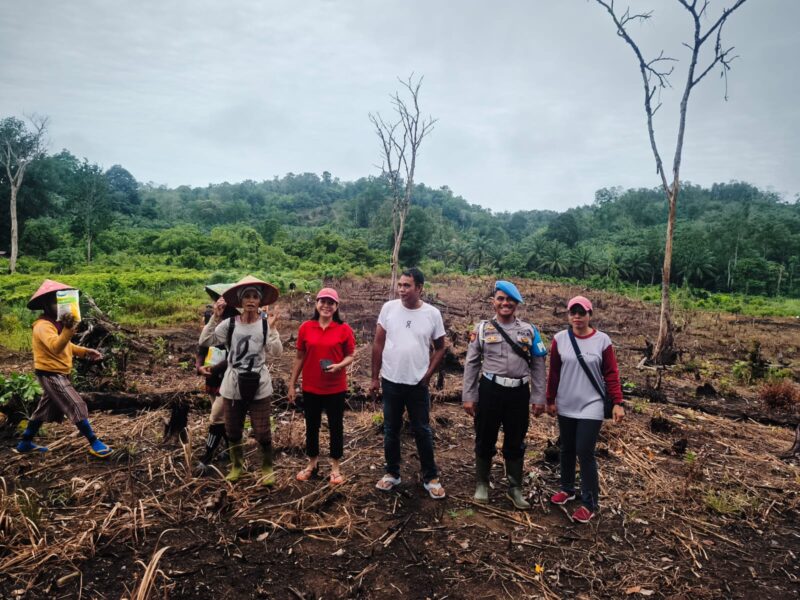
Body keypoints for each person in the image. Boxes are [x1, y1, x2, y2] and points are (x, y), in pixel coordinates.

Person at [463, 281, 547, 509]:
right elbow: (471, 364)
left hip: (519, 393)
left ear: (516, 304)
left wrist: (539, 397)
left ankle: (515, 488)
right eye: (500, 299)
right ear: (493, 302)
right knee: (485, 435)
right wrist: (469, 395)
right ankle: (482, 483)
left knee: (516, 439)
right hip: (490, 390)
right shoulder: (482, 329)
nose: (505, 303)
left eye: (510, 300)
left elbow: (538, 365)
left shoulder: (529, 330)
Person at [543, 295, 624, 523]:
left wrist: (617, 402)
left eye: (582, 312)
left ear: (590, 315)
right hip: (566, 402)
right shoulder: (560, 339)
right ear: (568, 315)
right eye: (573, 313)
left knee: (584, 451)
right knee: (566, 448)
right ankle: (567, 489)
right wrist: (550, 399)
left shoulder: (602, 341)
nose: (577, 317)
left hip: (592, 404)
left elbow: (611, 373)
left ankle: (589, 502)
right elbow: (554, 372)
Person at [371, 268, 447, 499]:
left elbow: (441, 347)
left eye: (407, 286)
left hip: (417, 384)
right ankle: (392, 473)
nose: (402, 290)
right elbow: (377, 344)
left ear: (420, 288)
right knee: (391, 430)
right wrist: (375, 378)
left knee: (422, 430)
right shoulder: (389, 309)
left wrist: (428, 374)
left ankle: (430, 477)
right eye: (401, 285)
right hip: (392, 380)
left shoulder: (432, 314)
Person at [199, 275, 282, 485]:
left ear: (260, 301)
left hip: (259, 382)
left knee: (262, 431)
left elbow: (277, 352)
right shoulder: (229, 324)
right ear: (241, 300)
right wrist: (214, 318)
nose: (251, 300)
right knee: (233, 429)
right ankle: (237, 465)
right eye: (247, 296)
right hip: (233, 382)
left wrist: (272, 329)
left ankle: (267, 467)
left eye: (255, 296)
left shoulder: (264, 325)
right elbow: (206, 341)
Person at [14, 279, 111, 457]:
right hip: (50, 373)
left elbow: (66, 346)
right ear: (45, 304)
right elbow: (55, 347)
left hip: (60, 372)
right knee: (76, 403)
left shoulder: (57, 324)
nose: (59, 305)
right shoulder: (43, 326)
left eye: (61, 301)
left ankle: (25, 442)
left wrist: (84, 351)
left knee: (43, 410)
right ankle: (94, 441)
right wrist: (69, 330)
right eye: (54, 301)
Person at [287, 288, 356, 485]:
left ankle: (335, 467)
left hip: (335, 387)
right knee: (312, 426)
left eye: (331, 302)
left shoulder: (344, 329)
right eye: (322, 301)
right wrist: (292, 384)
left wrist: (339, 366)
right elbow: (299, 357)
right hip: (311, 387)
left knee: (336, 426)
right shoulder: (306, 327)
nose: (326, 305)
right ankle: (312, 464)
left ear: (336, 306)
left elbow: (351, 355)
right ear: (316, 304)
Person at [195, 283, 239, 474]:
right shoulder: (211, 315)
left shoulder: (237, 320)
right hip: (212, 376)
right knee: (222, 417)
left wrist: (214, 368)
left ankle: (208, 456)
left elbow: (235, 355)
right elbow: (202, 346)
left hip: (228, 375)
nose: (221, 301)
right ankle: (230, 453)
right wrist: (199, 367)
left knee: (217, 417)